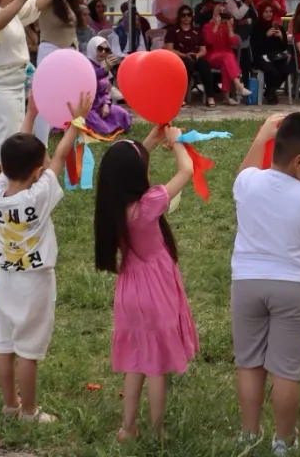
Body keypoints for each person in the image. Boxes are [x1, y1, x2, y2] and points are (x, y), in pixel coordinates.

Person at [232, 113, 300, 455]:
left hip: (247, 283)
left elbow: (243, 173)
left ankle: (249, 433)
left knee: (249, 363)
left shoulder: (248, 183)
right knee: (287, 370)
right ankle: (284, 439)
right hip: (296, 287)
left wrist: (260, 136)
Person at [0, 92, 90, 425]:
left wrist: (30, 115)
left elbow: (22, 154)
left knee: (5, 345)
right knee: (28, 352)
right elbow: (61, 155)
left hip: (4, 280)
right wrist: (77, 122)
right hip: (34, 284)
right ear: (37, 171)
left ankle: (10, 406)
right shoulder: (38, 196)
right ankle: (30, 412)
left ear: (4, 167)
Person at [93, 126, 198, 441]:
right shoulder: (149, 204)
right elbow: (187, 170)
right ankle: (157, 431)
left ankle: (127, 428)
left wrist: (153, 136)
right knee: (156, 366)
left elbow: (128, 165)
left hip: (129, 290)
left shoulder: (113, 207)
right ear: (137, 175)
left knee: (136, 360)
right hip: (155, 289)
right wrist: (177, 142)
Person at [0, 0, 72, 212]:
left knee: (13, 134)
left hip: (13, 82)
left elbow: (36, 3)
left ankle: (12, 184)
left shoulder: (14, 10)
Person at [34, 0, 122, 140]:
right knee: (46, 98)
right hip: (50, 52)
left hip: (70, 54)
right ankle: (41, 141)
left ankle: (71, 138)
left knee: (72, 98)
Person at [164, 4, 217, 108]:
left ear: (192, 17)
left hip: (194, 56)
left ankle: (210, 97)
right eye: (183, 15)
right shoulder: (173, 30)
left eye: (188, 15)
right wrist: (184, 55)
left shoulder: (196, 31)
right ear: (179, 17)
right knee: (187, 65)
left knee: (205, 65)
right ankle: (181, 98)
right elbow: (169, 48)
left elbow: (203, 50)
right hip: (179, 57)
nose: (186, 17)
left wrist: (197, 55)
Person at [202, 3, 251, 105]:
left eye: (223, 12)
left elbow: (233, 43)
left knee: (226, 63)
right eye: (218, 11)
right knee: (228, 57)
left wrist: (229, 28)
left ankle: (226, 97)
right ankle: (239, 85)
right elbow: (209, 41)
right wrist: (216, 25)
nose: (221, 14)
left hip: (226, 57)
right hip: (213, 56)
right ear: (214, 13)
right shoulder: (207, 26)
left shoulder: (227, 26)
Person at [82, 42, 131, 136]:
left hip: (100, 106)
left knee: (123, 114)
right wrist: (105, 69)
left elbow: (105, 91)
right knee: (103, 130)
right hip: (87, 109)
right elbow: (89, 78)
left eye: (107, 50)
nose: (103, 52)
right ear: (92, 48)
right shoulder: (84, 64)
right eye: (100, 49)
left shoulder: (102, 65)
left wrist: (106, 104)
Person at [253, 0, 292, 105]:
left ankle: (270, 90)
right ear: (261, 13)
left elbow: (284, 47)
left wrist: (281, 37)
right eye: (266, 11)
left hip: (276, 56)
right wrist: (266, 36)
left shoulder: (278, 27)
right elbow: (256, 47)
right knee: (271, 70)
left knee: (286, 69)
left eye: (270, 11)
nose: (268, 14)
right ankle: (271, 93)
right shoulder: (256, 27)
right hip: (260, 56)